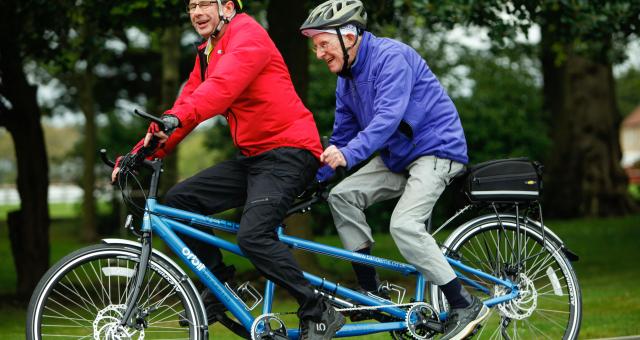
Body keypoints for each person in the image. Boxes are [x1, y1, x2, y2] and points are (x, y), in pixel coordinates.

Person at [112, 1, 345, 338]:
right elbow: (184, 105)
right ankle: (218, 286)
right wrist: (137, 154)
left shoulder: (248, 37)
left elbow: (219, 90)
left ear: (228, 6)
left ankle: (318, 310)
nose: (196, 12)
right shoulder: (208, 51)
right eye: (191, 6)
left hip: (289, 152)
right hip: (254, 158)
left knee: (253, 235)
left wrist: (179, 118)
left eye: (205, 3)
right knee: (178, 203)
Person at [300, 1, 489, 339]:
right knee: (341, 197)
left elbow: (387, 119)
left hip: (435, 150)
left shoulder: (391, 58)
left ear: (349, 36)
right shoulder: (347, 80)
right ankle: (371, 293)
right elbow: (342, 135)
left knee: (403, 225)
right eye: (315, 46)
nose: (318, 53)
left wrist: (348, 153)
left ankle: (464, 304)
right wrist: (313, 180)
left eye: (323, 43)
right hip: (398, 158)